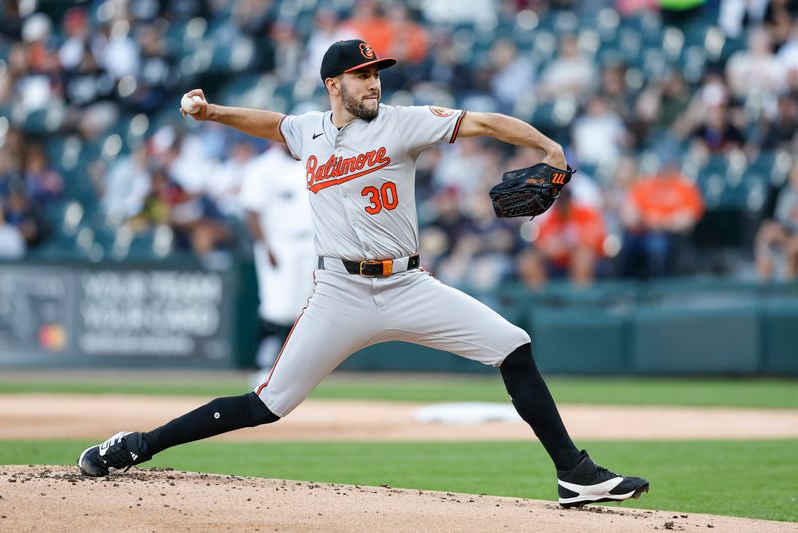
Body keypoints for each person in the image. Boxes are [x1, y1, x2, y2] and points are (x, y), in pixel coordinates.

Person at [77, 39, 649, 509]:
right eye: (361, 74)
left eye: (376, 73)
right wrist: (211, 112)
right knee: (269, 402)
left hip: (408, 285)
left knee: (513, 346)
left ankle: (576, 475)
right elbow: (274, 125)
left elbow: (484, 122)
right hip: (339, 292)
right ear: (334, 86)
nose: (373, 82)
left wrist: (548, 146)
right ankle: (138, 444)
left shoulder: (404, 123)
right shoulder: (310, 132)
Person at [239, 143, 315, 383]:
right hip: (278, 243)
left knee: (303, 308)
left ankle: (293, 369)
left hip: (310, 241)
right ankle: (264, 366)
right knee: (276, 307)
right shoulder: (263, 167)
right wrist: (266, 247)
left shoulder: (309, 161)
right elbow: (252, 211)